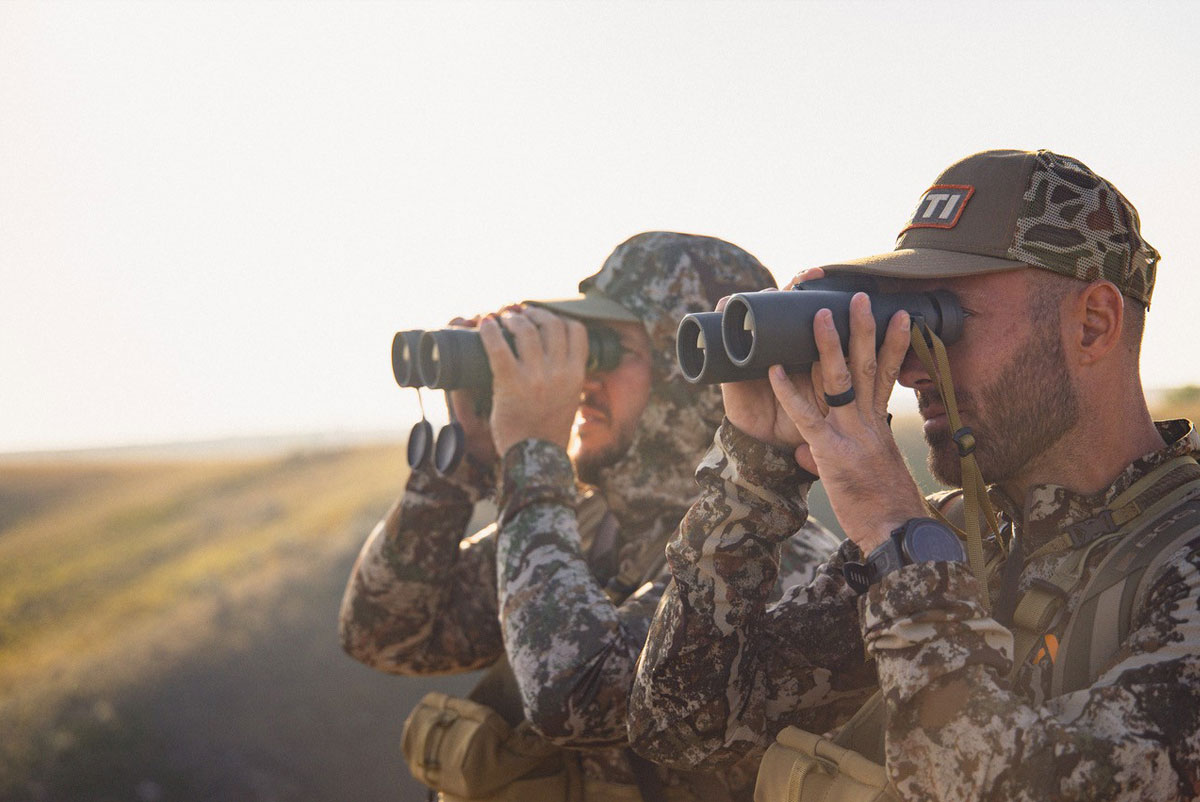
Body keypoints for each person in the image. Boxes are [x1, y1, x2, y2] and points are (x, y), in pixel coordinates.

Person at [628, 150, 1200, 800]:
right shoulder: (957, 534)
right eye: (900, 326)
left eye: (939, 320)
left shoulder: (1177, 558)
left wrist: (900, 540)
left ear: (1093, 324)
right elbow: (685, 726)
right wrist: (752, 477)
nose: (908, 370)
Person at [339, 231, 843, 801]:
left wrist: (533, 454)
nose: (583, 380)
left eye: (607, 352)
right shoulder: (585, 524)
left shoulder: (775, 560)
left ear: (691, 377)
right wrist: (458, 469)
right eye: (581, 353)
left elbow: (575, 696)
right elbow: (384, 633)